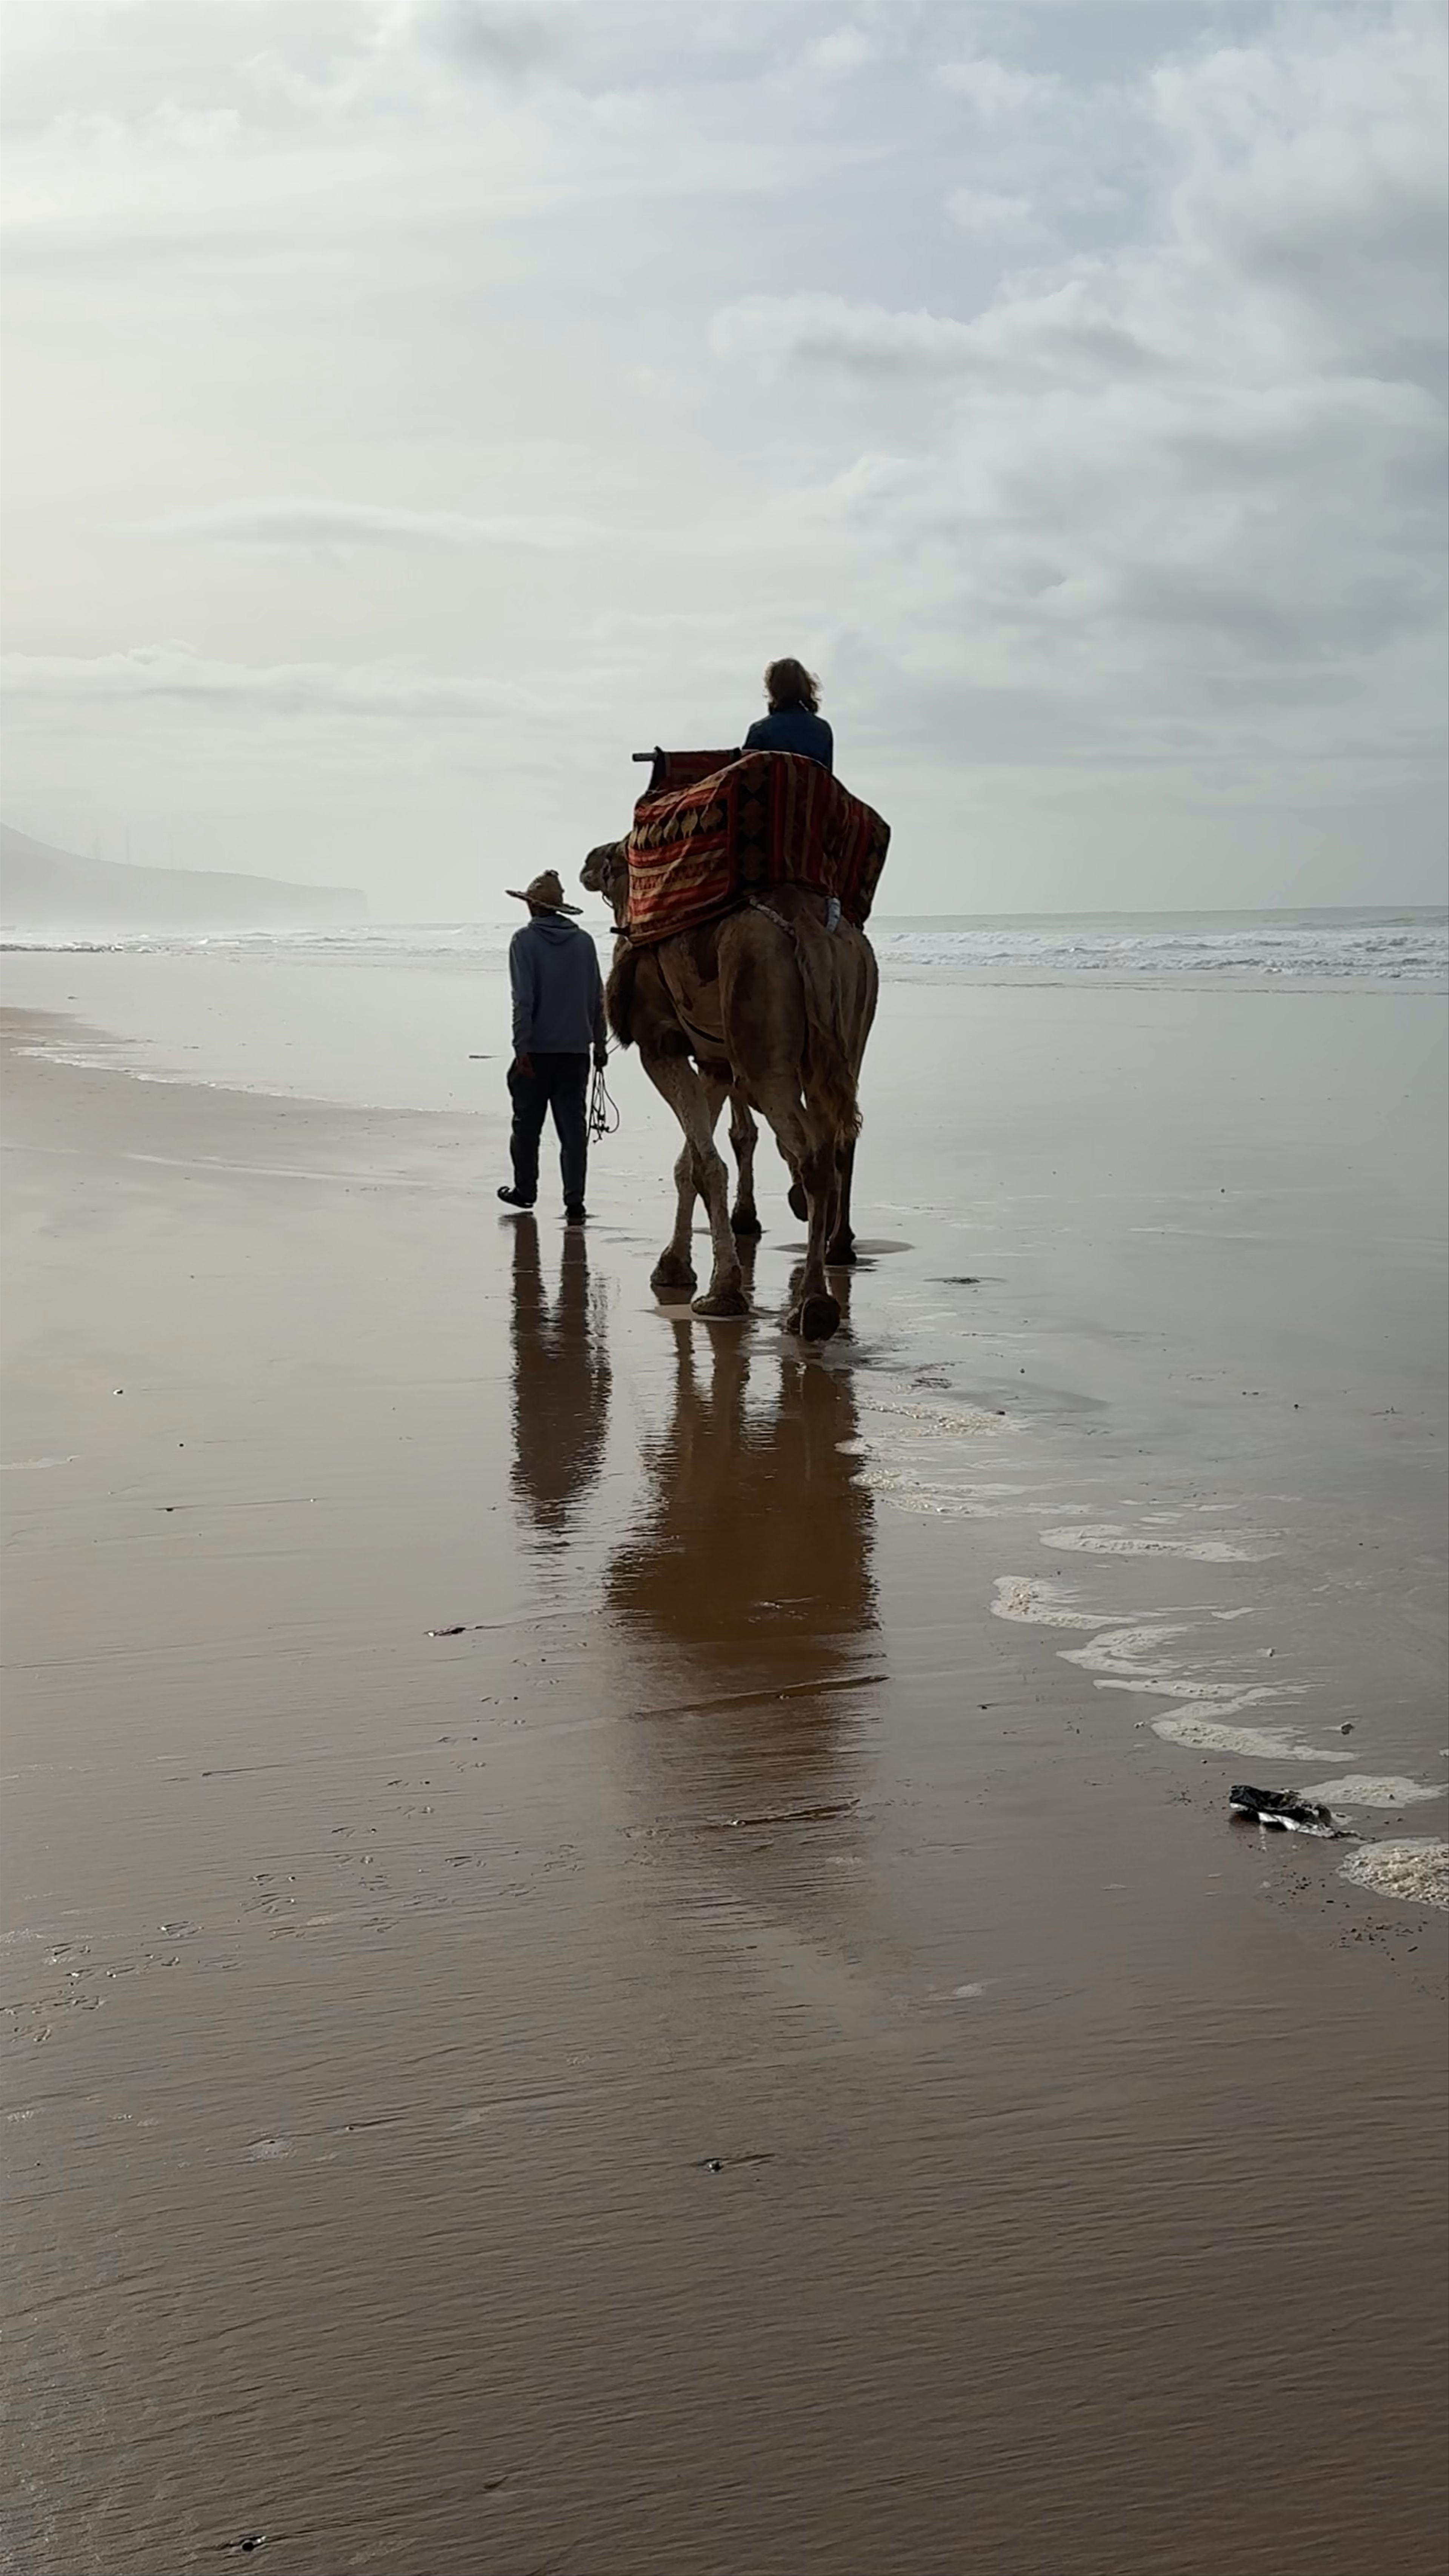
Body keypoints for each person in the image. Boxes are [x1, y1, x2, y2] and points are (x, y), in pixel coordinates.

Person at [498, 869, 608, 1223]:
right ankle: (575, 1200)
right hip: (576, 1051)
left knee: (526, 1126)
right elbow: (598, 998)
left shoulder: (523, 942)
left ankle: (525, 1191)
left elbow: (524, 1001)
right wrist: (601, 1043)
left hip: (537, 1051)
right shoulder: (585, 942)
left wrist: (521, 1048)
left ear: (533, 907)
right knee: (572, 1130)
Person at [743, 657, 834, 773]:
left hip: (772, 791)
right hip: (808, 791)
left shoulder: (760, 731)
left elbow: (746, 778)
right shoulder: (823, 730)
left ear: (773, 689)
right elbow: (827, 779)